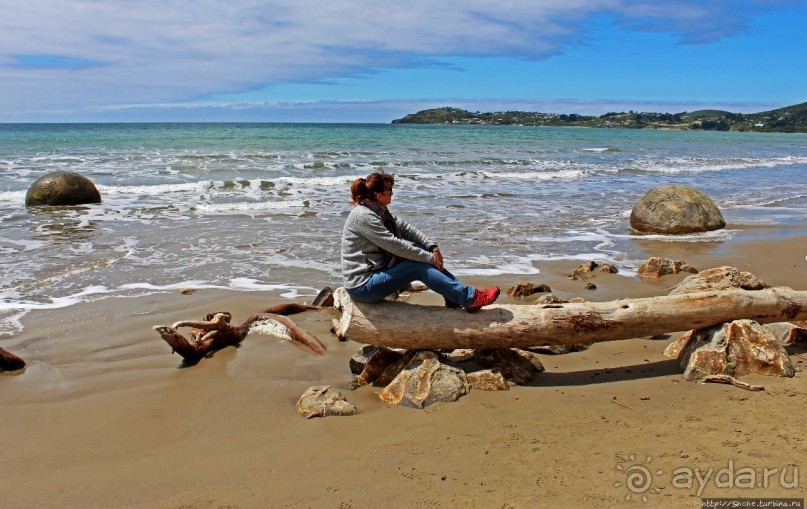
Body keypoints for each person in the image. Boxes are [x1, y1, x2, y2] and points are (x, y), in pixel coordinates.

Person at [341, 172, 500, 311]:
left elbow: (403, 227)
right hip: (362, 286)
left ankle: (454, 295)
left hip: (375, 273)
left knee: (419, 249)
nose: (392, 194)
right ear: (378, 195)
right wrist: (429, 258)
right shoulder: (364, 216)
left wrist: (432, 246)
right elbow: (394, 245)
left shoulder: (378, 210)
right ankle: (468, 298)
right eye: (389, 191)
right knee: (418, 266)